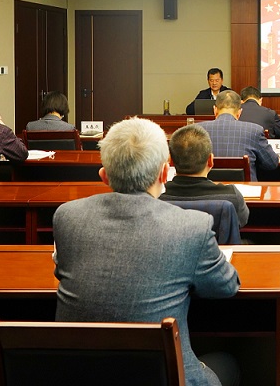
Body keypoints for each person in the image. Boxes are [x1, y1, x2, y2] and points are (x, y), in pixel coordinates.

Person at [53, 117, 240, 386]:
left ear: (103, 175)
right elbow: (227, 286)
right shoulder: (192, 226)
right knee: (230, 364)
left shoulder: (67, 217)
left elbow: (62, 270)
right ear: (165, 173)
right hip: (168, 376)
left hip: (80, 376)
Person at [161, 124, 250, 227]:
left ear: (170, 161)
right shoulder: (232, 197)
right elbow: (243, 222)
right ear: (211, 161)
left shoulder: (156, 197)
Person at [197, 90, 278, 181]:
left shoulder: (197, 130)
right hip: (245, 189)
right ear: (239, 112)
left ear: (215, 109)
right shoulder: (254, 130)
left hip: (208, 188)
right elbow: (271, 163)